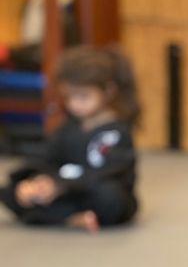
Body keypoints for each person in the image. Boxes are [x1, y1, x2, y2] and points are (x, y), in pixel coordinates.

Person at [0, 45, 140, 232]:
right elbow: (47, 157)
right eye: (69, 97)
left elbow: (106, 173)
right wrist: (37, 181)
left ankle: (58, 217)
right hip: (64, 193)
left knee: (111, 198)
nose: (75, 105)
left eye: (83, 97)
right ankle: (72, 219)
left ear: (107, 91)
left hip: (92, 193)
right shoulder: (68, 126)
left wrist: (62, 185)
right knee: (12, 191)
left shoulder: (116, 131)